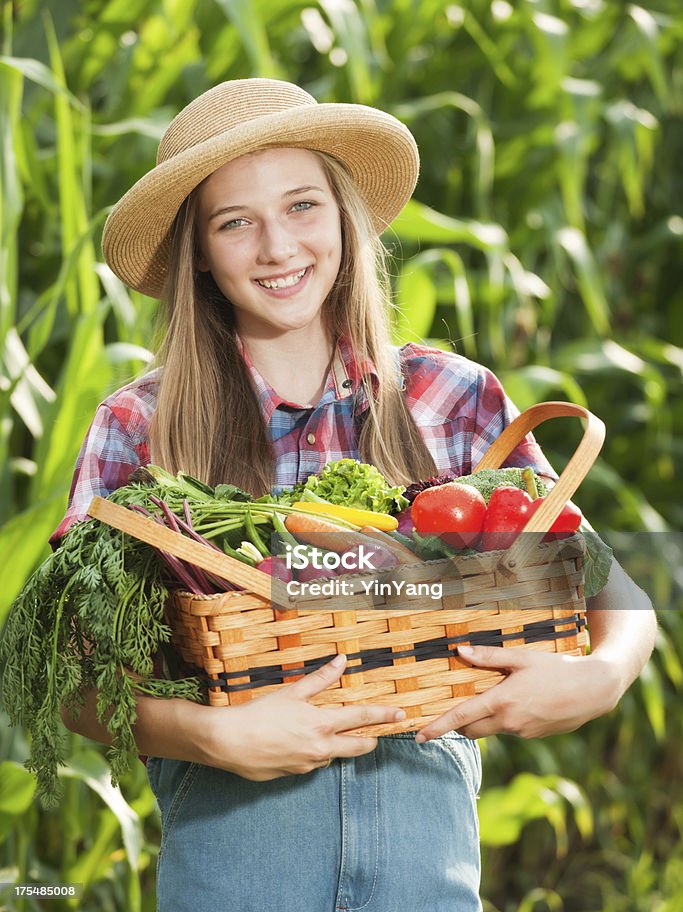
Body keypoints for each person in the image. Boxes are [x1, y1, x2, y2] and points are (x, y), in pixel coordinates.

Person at [57, 78, 656, 912]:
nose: (276, 247)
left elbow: (614, 599)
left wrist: (600, 678)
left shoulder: (449, 400)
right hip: (236, 861)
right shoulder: (143, 424)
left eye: (302, 206)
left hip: (425, 865)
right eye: (236, 222)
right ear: (197, 250)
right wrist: (212, 735)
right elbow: (75, 682)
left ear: (344, 215)